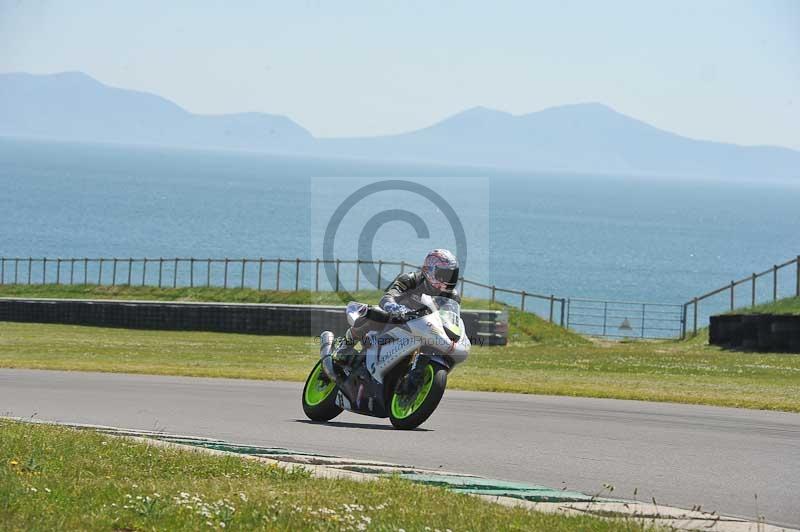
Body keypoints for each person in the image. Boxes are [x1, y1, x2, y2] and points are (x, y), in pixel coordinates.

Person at [331, 248, 461, 367]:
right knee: (372, 313)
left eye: (452, 275)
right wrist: (399, 310)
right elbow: (387, 298)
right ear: (430, 270)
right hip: (396, 319)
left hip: (423, 330)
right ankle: (344, 347)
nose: (449, 279)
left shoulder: (452, 297)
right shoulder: (411, 279)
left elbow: (451, 320)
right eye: (444, 274)